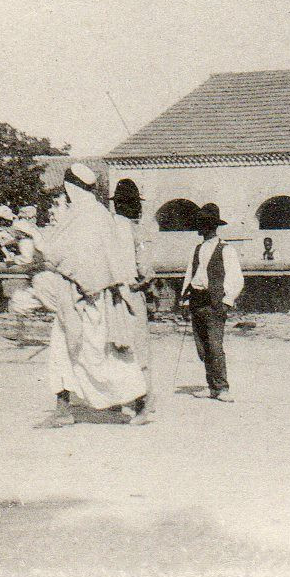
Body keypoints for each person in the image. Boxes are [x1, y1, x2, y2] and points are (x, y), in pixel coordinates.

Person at [15, 163, 145, 428]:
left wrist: (37, 241)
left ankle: (140, 403)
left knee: (103, 357)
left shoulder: (87, 217)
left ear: (72, 188)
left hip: (91, 301)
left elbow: (67, 257)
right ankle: (62, 409)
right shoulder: (88, 215)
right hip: (75, 299)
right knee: (62, 353)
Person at [180, 203, 243, 402]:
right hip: (197, 301)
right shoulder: (197, 249)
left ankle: (222, 387)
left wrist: (227, 301)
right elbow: (190, 275)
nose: (198, 227)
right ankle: (211, 386)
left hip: (214, 302)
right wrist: (184, 300)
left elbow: (236, 278)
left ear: (210, 226)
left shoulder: (226, 250)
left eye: (201, 223)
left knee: (215, 345)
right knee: (202, 347)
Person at [111, 179, 157, 425]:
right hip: (131, 292)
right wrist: (141, 284)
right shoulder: (136, 231)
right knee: (139, 348)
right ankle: (143, 402)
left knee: (116, 346)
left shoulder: (107, 228)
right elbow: (146, 270)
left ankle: (122, 399)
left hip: (110, 295)